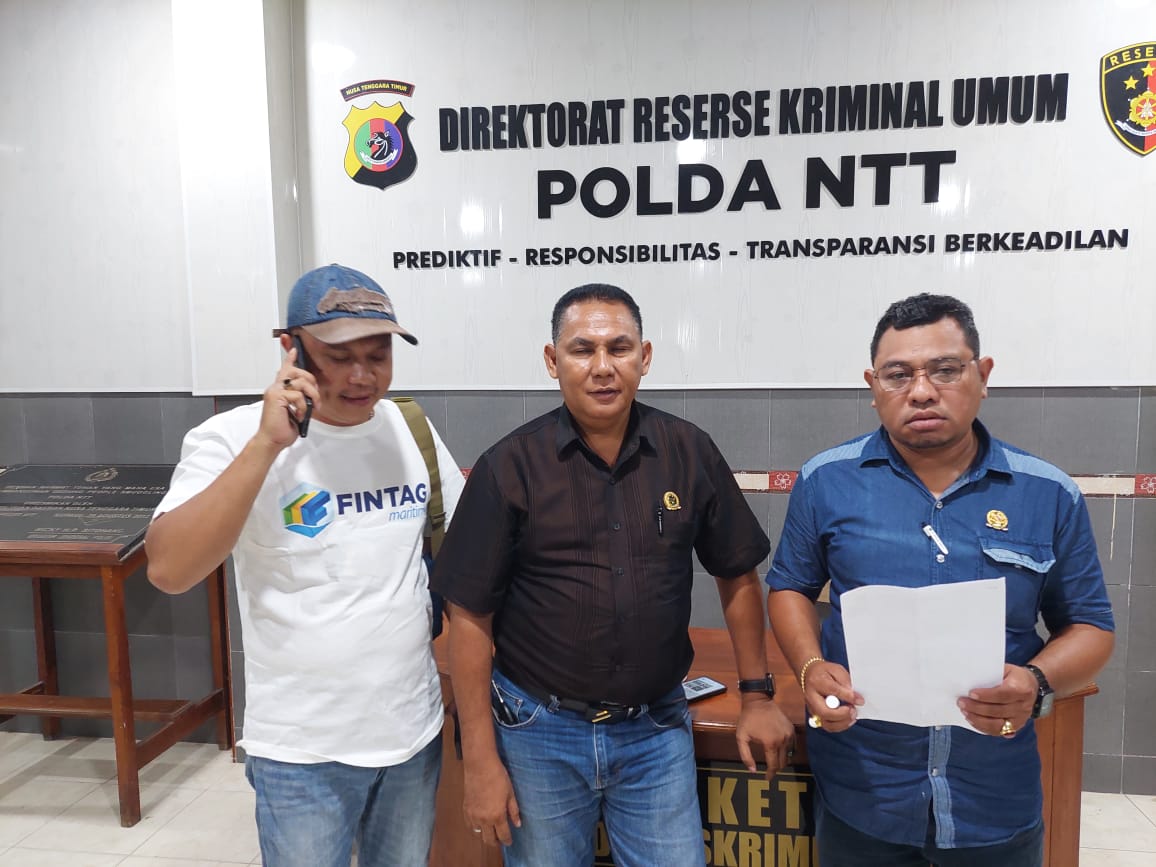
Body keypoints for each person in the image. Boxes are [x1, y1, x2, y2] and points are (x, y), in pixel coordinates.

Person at [431, 283, 795, 867]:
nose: (602, 366)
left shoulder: (688, 452)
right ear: (553, 361)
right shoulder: (509, 467)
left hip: (655, 732)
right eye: (582, 349)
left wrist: (756, 695)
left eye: (619, 348)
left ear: (644, 357)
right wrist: (479, 758)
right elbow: (469, 616)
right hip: (539, 732)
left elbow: (737, 575)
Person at [766, 293, 1115, 866]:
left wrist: (1036, 681)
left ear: (983, 375)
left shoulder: (1047, 493)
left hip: (993, 794)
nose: (922, 391)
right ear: (873, 385)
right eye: (898, 374)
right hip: (864, 788)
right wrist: (808, 666)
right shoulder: (826, 480)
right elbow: (789, 588)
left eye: (945, 370)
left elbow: (1091, 626)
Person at [145, 263, 465, 867]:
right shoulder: (230, 438)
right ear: (291, 349)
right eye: (339, 357)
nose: (362, 376)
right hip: (302, 754)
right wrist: (268, 445)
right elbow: (169, 569)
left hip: (411, 736)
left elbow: (470, 545)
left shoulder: (410, 428)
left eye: (378, 355)